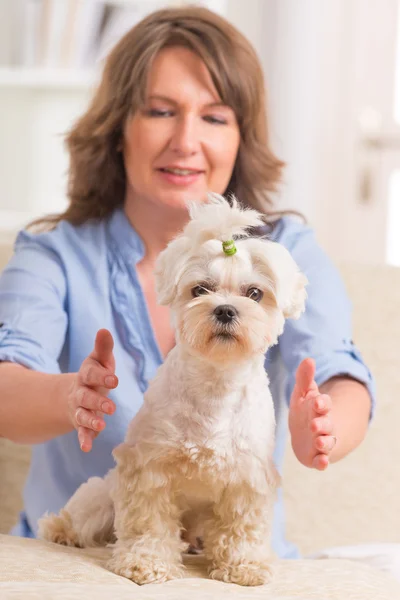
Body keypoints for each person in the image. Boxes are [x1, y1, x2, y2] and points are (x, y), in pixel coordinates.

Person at [0, 6, 375, 559]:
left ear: (240, 138)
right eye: (160, 111)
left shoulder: (287, 248)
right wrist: (68, 395)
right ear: (118, 129)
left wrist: (323, 428)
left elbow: (338, 370)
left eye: (215, 118)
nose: (185, 140)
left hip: (230, 570)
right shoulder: (55, 252)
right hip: (80, 564)